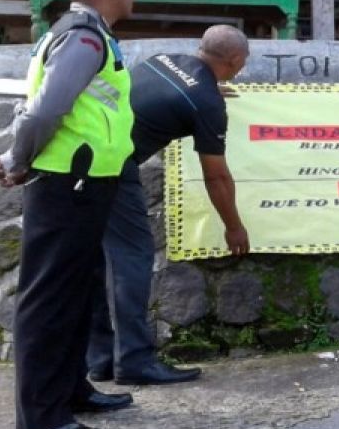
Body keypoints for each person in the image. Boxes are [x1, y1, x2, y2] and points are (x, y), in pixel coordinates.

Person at [0, 0, 145, 429]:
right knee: (50, 297)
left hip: (85, 180)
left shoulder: (82, 33)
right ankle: (40, 415)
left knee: (77, 290)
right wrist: (18, 159)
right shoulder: (83, 38)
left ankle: (72, 388)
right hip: (68, 183)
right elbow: (43, 112)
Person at [88, 25, 252, 385]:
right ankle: (133, 361)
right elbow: (216, 176)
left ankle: (99, 358)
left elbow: (168, 92)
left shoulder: (162, 60)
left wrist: (206, 94)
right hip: (115, 165)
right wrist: (234, 226)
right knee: (131, 260)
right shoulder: (206, 103)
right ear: (236, 61)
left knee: (96, 259)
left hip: (84, 153)